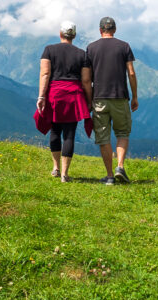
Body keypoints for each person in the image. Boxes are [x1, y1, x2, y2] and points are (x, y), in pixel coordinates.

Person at [36, 21, 92, 182]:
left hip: (54, 94)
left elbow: (45, 74)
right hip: (74, 96)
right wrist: (89, 101)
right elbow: (86, 80)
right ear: (74, 36)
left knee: (55, 131)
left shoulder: (49, 50)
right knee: (69, 134)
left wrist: (41, 96)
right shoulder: (82, 54)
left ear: (60, 33)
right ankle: (65, 174)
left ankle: (55, 167)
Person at [86, 16, 137, 185]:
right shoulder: (124, 46)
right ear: (114, 30)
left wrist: (88, 100)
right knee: (122, 133)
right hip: (120, 97)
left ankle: (109, 177)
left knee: (103, 137)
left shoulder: (91, 48)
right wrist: (134, 96)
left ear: (100, 30)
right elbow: (131, 73)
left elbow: (86, 79)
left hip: (99, 98)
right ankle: (120, 167)